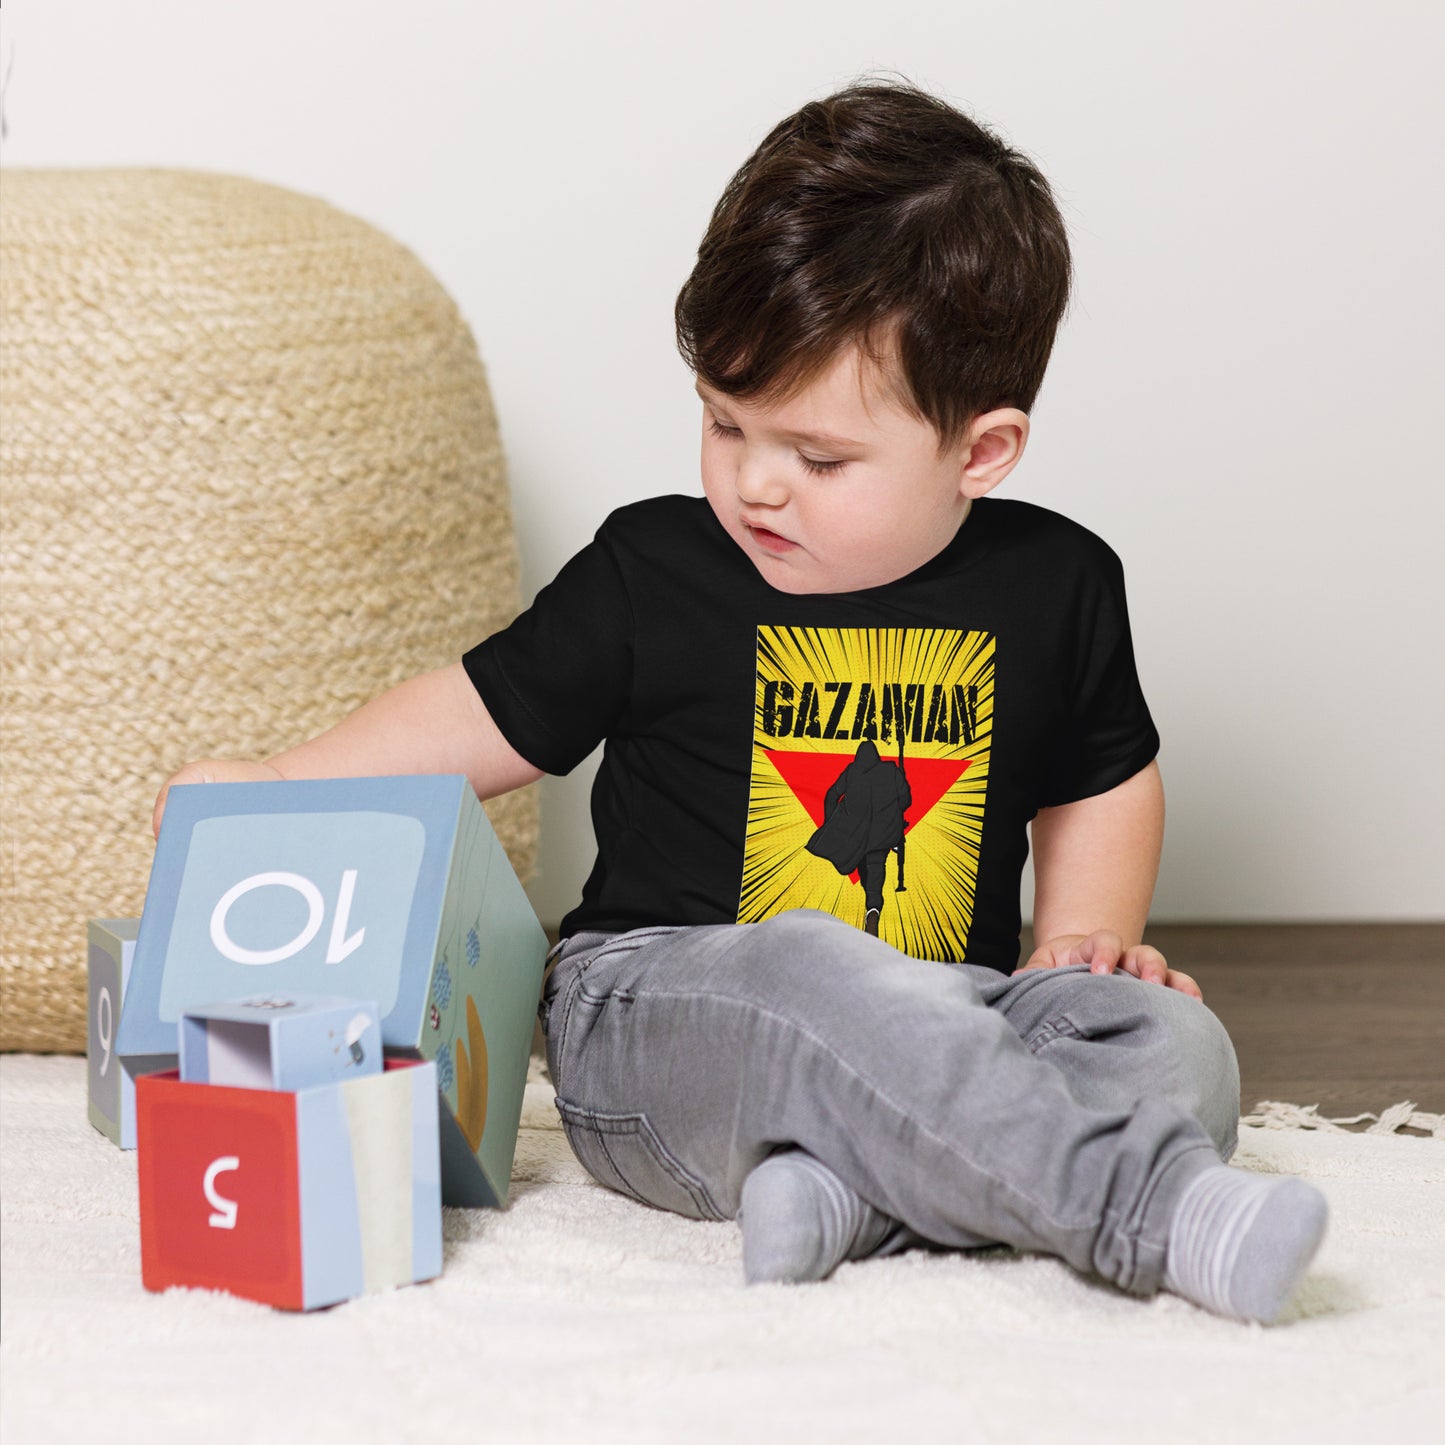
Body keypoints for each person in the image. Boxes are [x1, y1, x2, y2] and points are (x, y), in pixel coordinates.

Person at [155, 79, 1328, 1324]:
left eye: (817, 458)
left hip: (954, 1012)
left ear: (978, 452)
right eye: (723, 422)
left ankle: (852, 1197)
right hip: (665, 1007)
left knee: (1174, 1045)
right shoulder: (649, 571)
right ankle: (1133, 1207)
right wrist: (281, 786)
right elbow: (476, 715)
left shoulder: (1057, 583)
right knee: (811, 971)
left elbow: (1098, 774)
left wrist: (1074, 947)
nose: (754, 484)